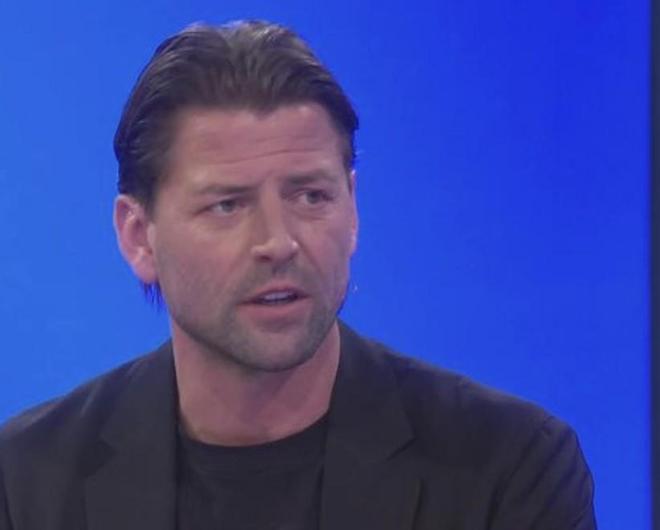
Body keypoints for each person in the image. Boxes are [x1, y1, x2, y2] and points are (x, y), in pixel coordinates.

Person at [0, 20, 596, 530]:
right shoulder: (26, 482)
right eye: (227, 205)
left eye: (311, 196)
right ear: (138, 235)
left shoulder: (508, 470)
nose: (279, 242)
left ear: (352, 209)